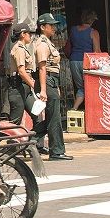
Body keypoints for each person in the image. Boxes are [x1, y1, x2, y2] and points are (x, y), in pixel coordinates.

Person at [33, 13, 72, 161]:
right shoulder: (42, 44)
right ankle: (56, 152)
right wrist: (43, 90)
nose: (54, 28)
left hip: (52, 81)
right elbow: (42, 68)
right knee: (54, 118)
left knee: (51, 117)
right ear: (43, 27)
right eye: (51, 25)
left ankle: (28, 139)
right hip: (47, 81)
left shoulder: (48, 42)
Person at [69, 10, 102, 111]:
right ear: (92, 20)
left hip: (74, 61)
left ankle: (74, 108)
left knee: (81, 87)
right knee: (90, 86)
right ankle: (92, 110)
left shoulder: (73, 30)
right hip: (86, 62)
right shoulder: (93, 32)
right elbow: (97, 51)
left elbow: (69, 45)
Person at [7, 20, 37, 126]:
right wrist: (34, 85)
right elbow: (21, 72)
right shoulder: (19, 49)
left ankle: (36, 142)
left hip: (25, 88)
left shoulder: (23, 48)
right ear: (23, 34)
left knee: (37, 116)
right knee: (14, 123)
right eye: (29, 33)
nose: (31, 36)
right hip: (18, 87)